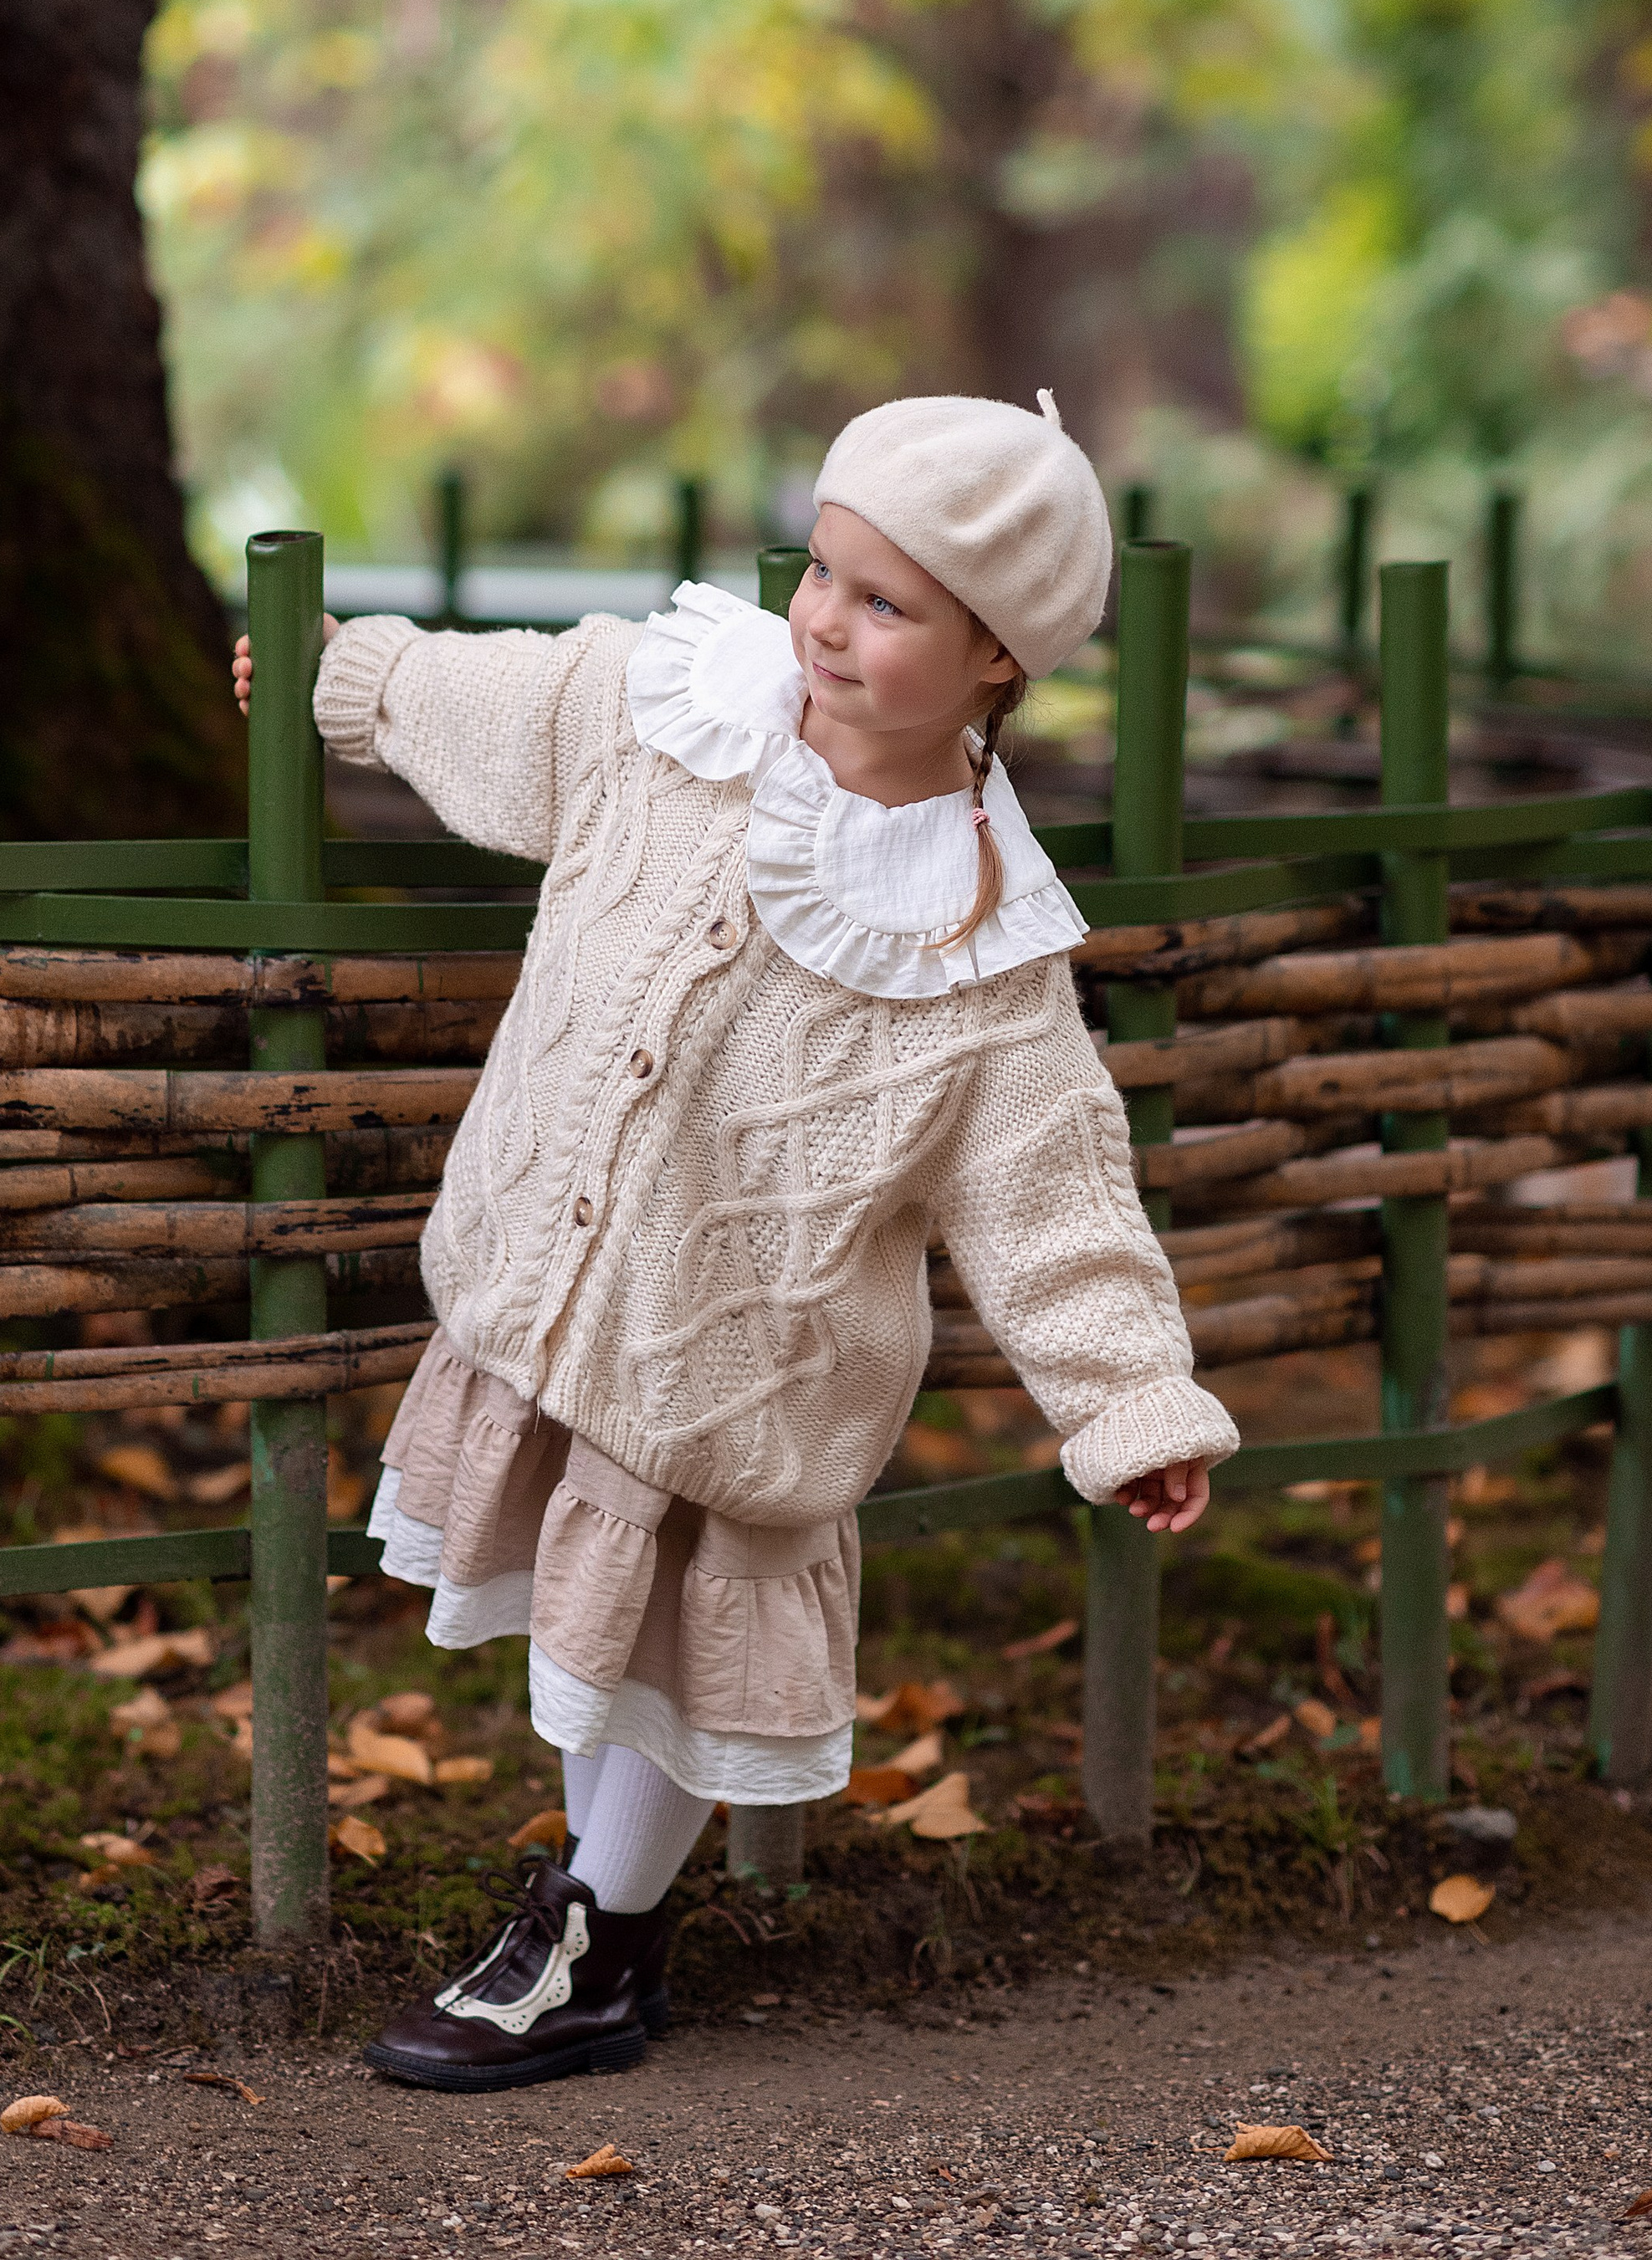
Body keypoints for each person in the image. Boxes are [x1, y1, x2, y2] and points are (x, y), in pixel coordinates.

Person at [231, 391, 1236, 2091]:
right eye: (824, 573)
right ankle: (590, 1923)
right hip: (566, 1300)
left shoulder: (979, 939)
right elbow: (514, 696)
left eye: (886, 602)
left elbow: (1054, 1191)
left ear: (999, 655)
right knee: (594, 1637)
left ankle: (592, 1939)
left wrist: (1128, 1403)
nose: (825, 620)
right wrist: (358, 673)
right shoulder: (672, 711)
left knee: (676, 1649)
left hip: (741, 1364)